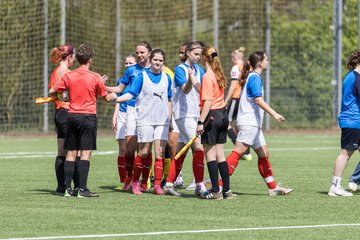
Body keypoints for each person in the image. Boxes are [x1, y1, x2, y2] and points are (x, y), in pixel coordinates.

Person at [50, 43, 116, 197]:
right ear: (90, 60)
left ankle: (67, 189)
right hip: (87, 117)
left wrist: (65, 95)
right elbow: (106, 97)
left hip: (71, 116)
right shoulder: (95, 77)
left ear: (78, 59)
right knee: (85, 154)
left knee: (71, 153)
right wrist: (114, 97)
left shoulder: (69, 75)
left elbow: (53, 91)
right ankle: (82, 190)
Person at [225, 51, 293, 196]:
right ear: (260, 63)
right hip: (250, 124)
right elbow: (258, 100)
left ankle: (273, 187)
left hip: (253, 124)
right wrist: (275, 114)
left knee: (263, 153)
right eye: (266, 59)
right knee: (238, 152)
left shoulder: (251, 77)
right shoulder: (255, 77)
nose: (268, 62)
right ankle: (218, 184)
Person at [114, 49, 172, 195]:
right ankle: (135, 182)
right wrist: (116, 98)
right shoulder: (142, 76)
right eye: (155, 60)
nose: (158, 62)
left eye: (160, 60)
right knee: (144, 152)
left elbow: (169, 99)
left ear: (163, 62)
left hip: (162, 120)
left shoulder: (167, 78)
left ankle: (157, 185)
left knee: (159, 152)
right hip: (145, 119)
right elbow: (130, 93)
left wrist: (170, 118)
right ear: (151, 60)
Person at [106, 41, 152, 193]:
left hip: (149, 113)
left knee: (146, 149)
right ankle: (129, 177)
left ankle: (144, 182)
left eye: (142, 52)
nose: (139, 55)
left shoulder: (156, 69)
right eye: (137, 52)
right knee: (129, 150)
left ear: (149, 53)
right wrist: (103, 87)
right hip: (131, 111)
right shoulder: (131, 70)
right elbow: (120, 88)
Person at [164, 41, 207, 197]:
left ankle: (169, 184)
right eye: (196, 54)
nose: (198, 57)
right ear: (188, 53)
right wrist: (191, 79)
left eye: (200, 55)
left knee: (181, 150)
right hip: (184, 114)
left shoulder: (200, 70)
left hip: (195, 114)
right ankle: (199, 185)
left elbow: (202, 90)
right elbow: (186, 89)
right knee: (198, 147)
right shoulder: (180, 69)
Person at [196, 46, 234, 199]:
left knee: (209, 154)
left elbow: (207, 102)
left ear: (204, 58)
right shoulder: (219, 73)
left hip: (211, 117)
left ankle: (215, 191)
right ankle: (227, 191)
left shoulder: (207, 76)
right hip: (223, 115)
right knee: (220, 155)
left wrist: (200, 122)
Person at [328, 50, 360, 197]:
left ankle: (351, 182)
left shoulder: (353, 76)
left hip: (355, 121)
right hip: (353, 121)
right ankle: (335, 186)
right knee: (345, 153)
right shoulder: (355, 77)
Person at [48, 43, 76, 194]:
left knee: (61, 151)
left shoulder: (55, 72)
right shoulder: (65, 73)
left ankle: (61, 187)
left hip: (60, 113)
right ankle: (70, 187)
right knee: (73, 152)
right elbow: (62, 95)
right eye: (74, 57)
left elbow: (54, 96)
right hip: (67, 112)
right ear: (70, 57)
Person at [113, 53, 137, 191]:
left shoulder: (140, 78)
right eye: (126, 63)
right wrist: (115, 116)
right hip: (122, 114)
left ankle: (140, 179)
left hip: (135, 113)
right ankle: (124, 181)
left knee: (136, 148)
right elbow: (118, 99)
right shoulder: (121, 81)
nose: (128, 66)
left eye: (131, 63)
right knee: (122, 149)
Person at [224, 47, 252, 161]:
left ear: (234, 58)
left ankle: (243, 151)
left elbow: (233, 85)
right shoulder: (247, 67)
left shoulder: (235, 68)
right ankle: (247, 152)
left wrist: (226, 101)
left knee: (226, 122)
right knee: (239, 125)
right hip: (245, 99)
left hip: (236, 98)